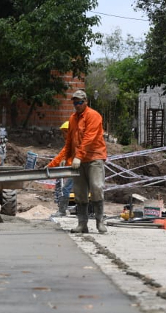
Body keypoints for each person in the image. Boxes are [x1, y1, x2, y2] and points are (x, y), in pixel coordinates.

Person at [50, 89, 107, 233]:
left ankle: (100, 221)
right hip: (78, 161)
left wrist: (78, 156)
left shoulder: (93, 116)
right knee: (80, 192)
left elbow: (89, 138)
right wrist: (60, 160)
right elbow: (69, 143)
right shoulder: (72, 119)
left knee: (96, 187)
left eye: (80, 102)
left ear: (86, 102)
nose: (77, 104)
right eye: (75, 102)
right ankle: (82, 224)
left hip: (94, 158)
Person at [46, 121, 73, 217]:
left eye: (65, 132)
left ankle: (62, 211)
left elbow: (60, 157)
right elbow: (60, 157)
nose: (63, 135)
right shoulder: (71, 143)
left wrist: (49, 167)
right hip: (73, 169)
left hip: (75, 170)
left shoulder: (72, 143)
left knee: (66, 189)